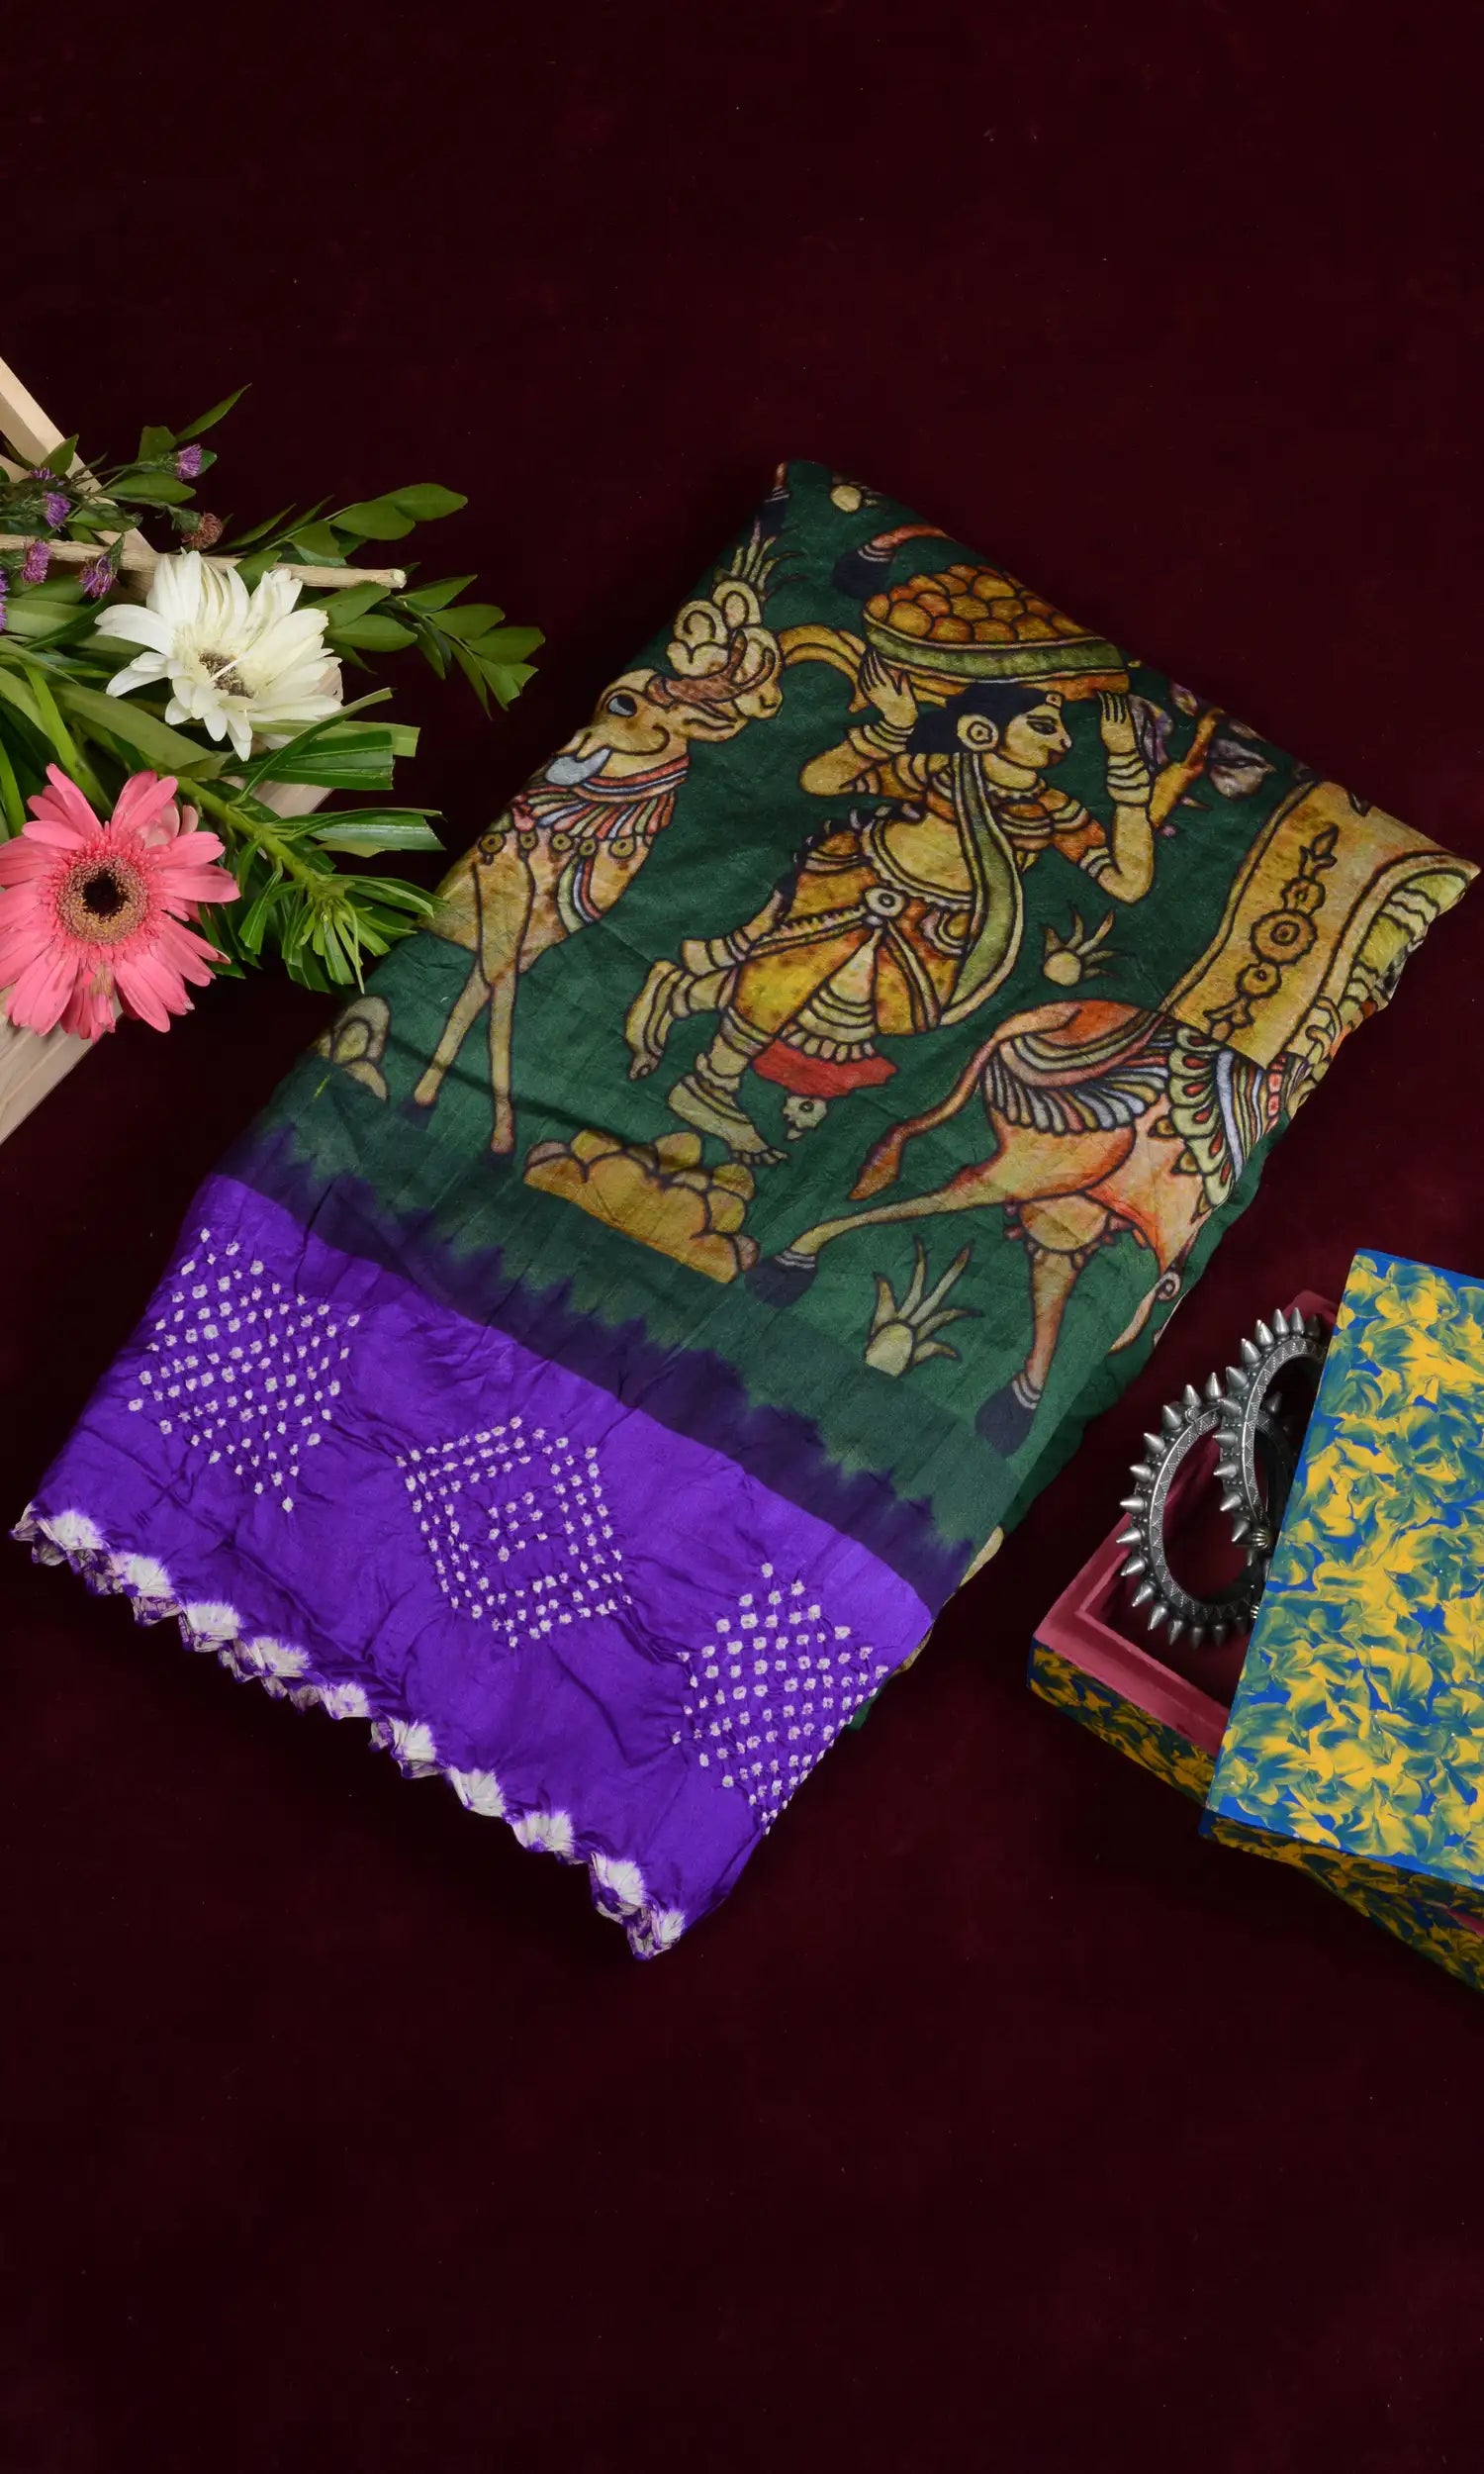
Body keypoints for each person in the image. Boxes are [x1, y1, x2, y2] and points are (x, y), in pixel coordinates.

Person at [625, 649, 1156, 1160]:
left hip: (941, 925)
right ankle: (711, 1084)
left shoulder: (1053, 807)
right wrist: (893, 727)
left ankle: (686, 995)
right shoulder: (942, 769)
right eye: (1043, 727)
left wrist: (1125, 767)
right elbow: (823, 780)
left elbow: (1129, 883)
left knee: (889, 1014)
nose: (1064, 741)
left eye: (1061, 731)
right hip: (859, 880)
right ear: (982, 730)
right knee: (793, 977)